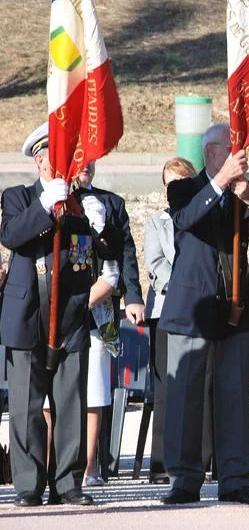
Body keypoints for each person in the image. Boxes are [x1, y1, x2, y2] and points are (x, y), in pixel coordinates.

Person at [157, 122, 249, 505]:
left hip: (236, 308)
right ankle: (185, 479)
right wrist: (219, 183)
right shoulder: (184, 188)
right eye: (232, 150)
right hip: (192, 309)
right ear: (211, 152)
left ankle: (235, 479)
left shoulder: (247, 192)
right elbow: (185, 220)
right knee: (185, 397)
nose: (239, 157)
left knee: (233, 396)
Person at [0, 123, 121, 507]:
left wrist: (100, 229)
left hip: (69, 314)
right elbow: (13, 234)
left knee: (70, 403)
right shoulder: (18, 198)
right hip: (27, 315)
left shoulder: (80, 202)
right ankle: (29, 484)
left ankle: (68, 482)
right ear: (39, 161)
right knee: (27, 406)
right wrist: (43, 207)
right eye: (55, 158)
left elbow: (103, 254)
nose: (64, 166)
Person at [71, 160, 145, 487]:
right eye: (79, 158)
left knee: (96, 389)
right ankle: (53, 465)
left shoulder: (111, 203)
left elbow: (126, 252)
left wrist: (133, 297)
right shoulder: (58, 200)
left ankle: (90, 468)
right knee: (53, 396)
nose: (86, 165)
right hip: (59, 311)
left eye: (91, 159)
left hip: (102, 310)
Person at [144, 157, 198, 485]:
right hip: (166, 309)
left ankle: (201, 459)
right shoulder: (156, 222)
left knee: (199, 387)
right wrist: (185, 286)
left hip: (200, 311)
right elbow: (155, 264)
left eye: (179, 182)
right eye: (168, 184)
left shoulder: (201, 219)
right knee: (166, 387)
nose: (172, 189)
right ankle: (162, 463)